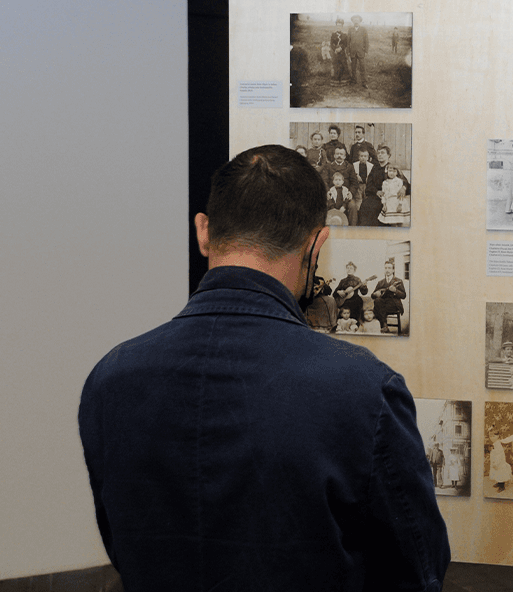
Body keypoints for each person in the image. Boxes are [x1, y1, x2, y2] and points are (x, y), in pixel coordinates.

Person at [78, 144, 449, 591]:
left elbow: (122, 546)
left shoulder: (111, 378)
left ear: (203, 231)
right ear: (317, 244)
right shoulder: (364, 390)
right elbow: (418, 569)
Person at [321, 147, 361, 225]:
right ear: (334, 156)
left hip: (345, 195)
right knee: (323, 205)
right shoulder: (329, 166)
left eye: (341, 154)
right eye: (337, 154)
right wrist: (327, 191)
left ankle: (352, 229)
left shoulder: (349, 167)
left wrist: (351, 193)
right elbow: (324, 181)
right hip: (332, 194)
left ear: (345, 156)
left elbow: (354, 182)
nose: (339, 156)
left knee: (353, 206)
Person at [371, 258, 406, 331]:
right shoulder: (380, 282)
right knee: (377, 301)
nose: (387, 270)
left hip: (394, 305)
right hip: (382, 304)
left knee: (378, 308)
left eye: (389, 268)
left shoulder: (398, 281)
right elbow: (372, 295)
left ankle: (383, 326)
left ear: (393, 270)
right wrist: (375, 294)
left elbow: (403, 295)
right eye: (386, 268)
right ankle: (385, 326)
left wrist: (395, 291)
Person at [347, 14, 369, 88]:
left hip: (361, 51)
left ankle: (364, 82)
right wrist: (348, 52)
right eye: (354, 20)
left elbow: (366, 40)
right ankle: (354, 80)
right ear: (353, 21)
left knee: (362, 67)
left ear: (360, 21)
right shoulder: (350, 29)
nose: (356, 21)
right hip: (353, 52)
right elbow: (348, 42)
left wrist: (366, 51)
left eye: (357, 20)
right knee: (353, 67)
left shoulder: (363, 29)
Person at [330, 18, 349, 82]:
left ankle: (344, 78)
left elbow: (345, 44)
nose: (339, 27)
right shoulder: (333, 35)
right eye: (337, 26)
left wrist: (340, 48)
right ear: (336, 26)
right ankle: (336, 77)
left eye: (340, 26)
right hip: (335, 53)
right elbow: (331, 44)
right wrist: (335, 49)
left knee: (343, 63)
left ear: (342, 27)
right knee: (335, 64)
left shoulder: (344, 35)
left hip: (342, 52)